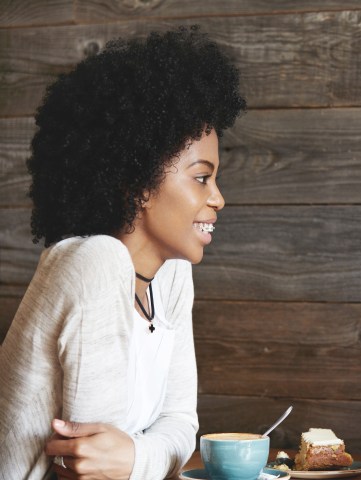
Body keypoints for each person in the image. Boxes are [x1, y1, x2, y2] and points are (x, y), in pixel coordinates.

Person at [0, 26, 245, 479]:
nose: (218, 198)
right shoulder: (93, 263)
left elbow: (179, 424)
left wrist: (136, 458)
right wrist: (141, 457)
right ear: (136, 184)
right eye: (200, 177)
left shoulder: (169, 275)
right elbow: (88, 465)